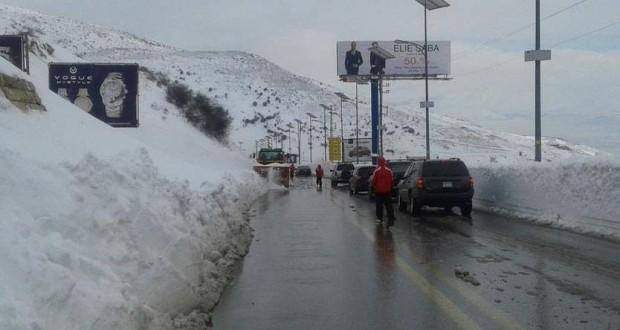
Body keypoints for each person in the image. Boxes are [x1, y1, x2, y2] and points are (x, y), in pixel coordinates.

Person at [371, 157, 395, 227]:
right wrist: (390, 188)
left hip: (378, 191)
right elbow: (391, 180)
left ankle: (380, 218)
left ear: (378, 162)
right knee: (389, 205)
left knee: (379, 206)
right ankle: (391, 217)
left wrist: (373, 188)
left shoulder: (376, 171)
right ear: (384, 162)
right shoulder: (389, 170)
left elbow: (373, 181)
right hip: (387, 191)